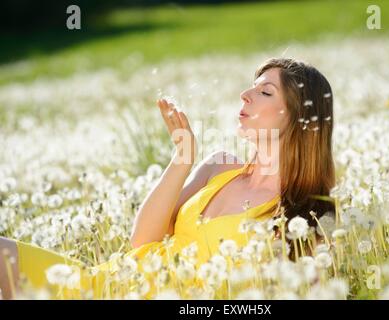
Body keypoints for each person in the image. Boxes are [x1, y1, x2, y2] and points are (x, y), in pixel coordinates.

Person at [0, 57, 336, 300]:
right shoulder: (219, 167)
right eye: (251, 86)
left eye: (265, 92)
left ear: (300, 116)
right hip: (100, 286)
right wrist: (181, 160)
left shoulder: (308, 215)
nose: (245, 95)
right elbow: (142, 240)